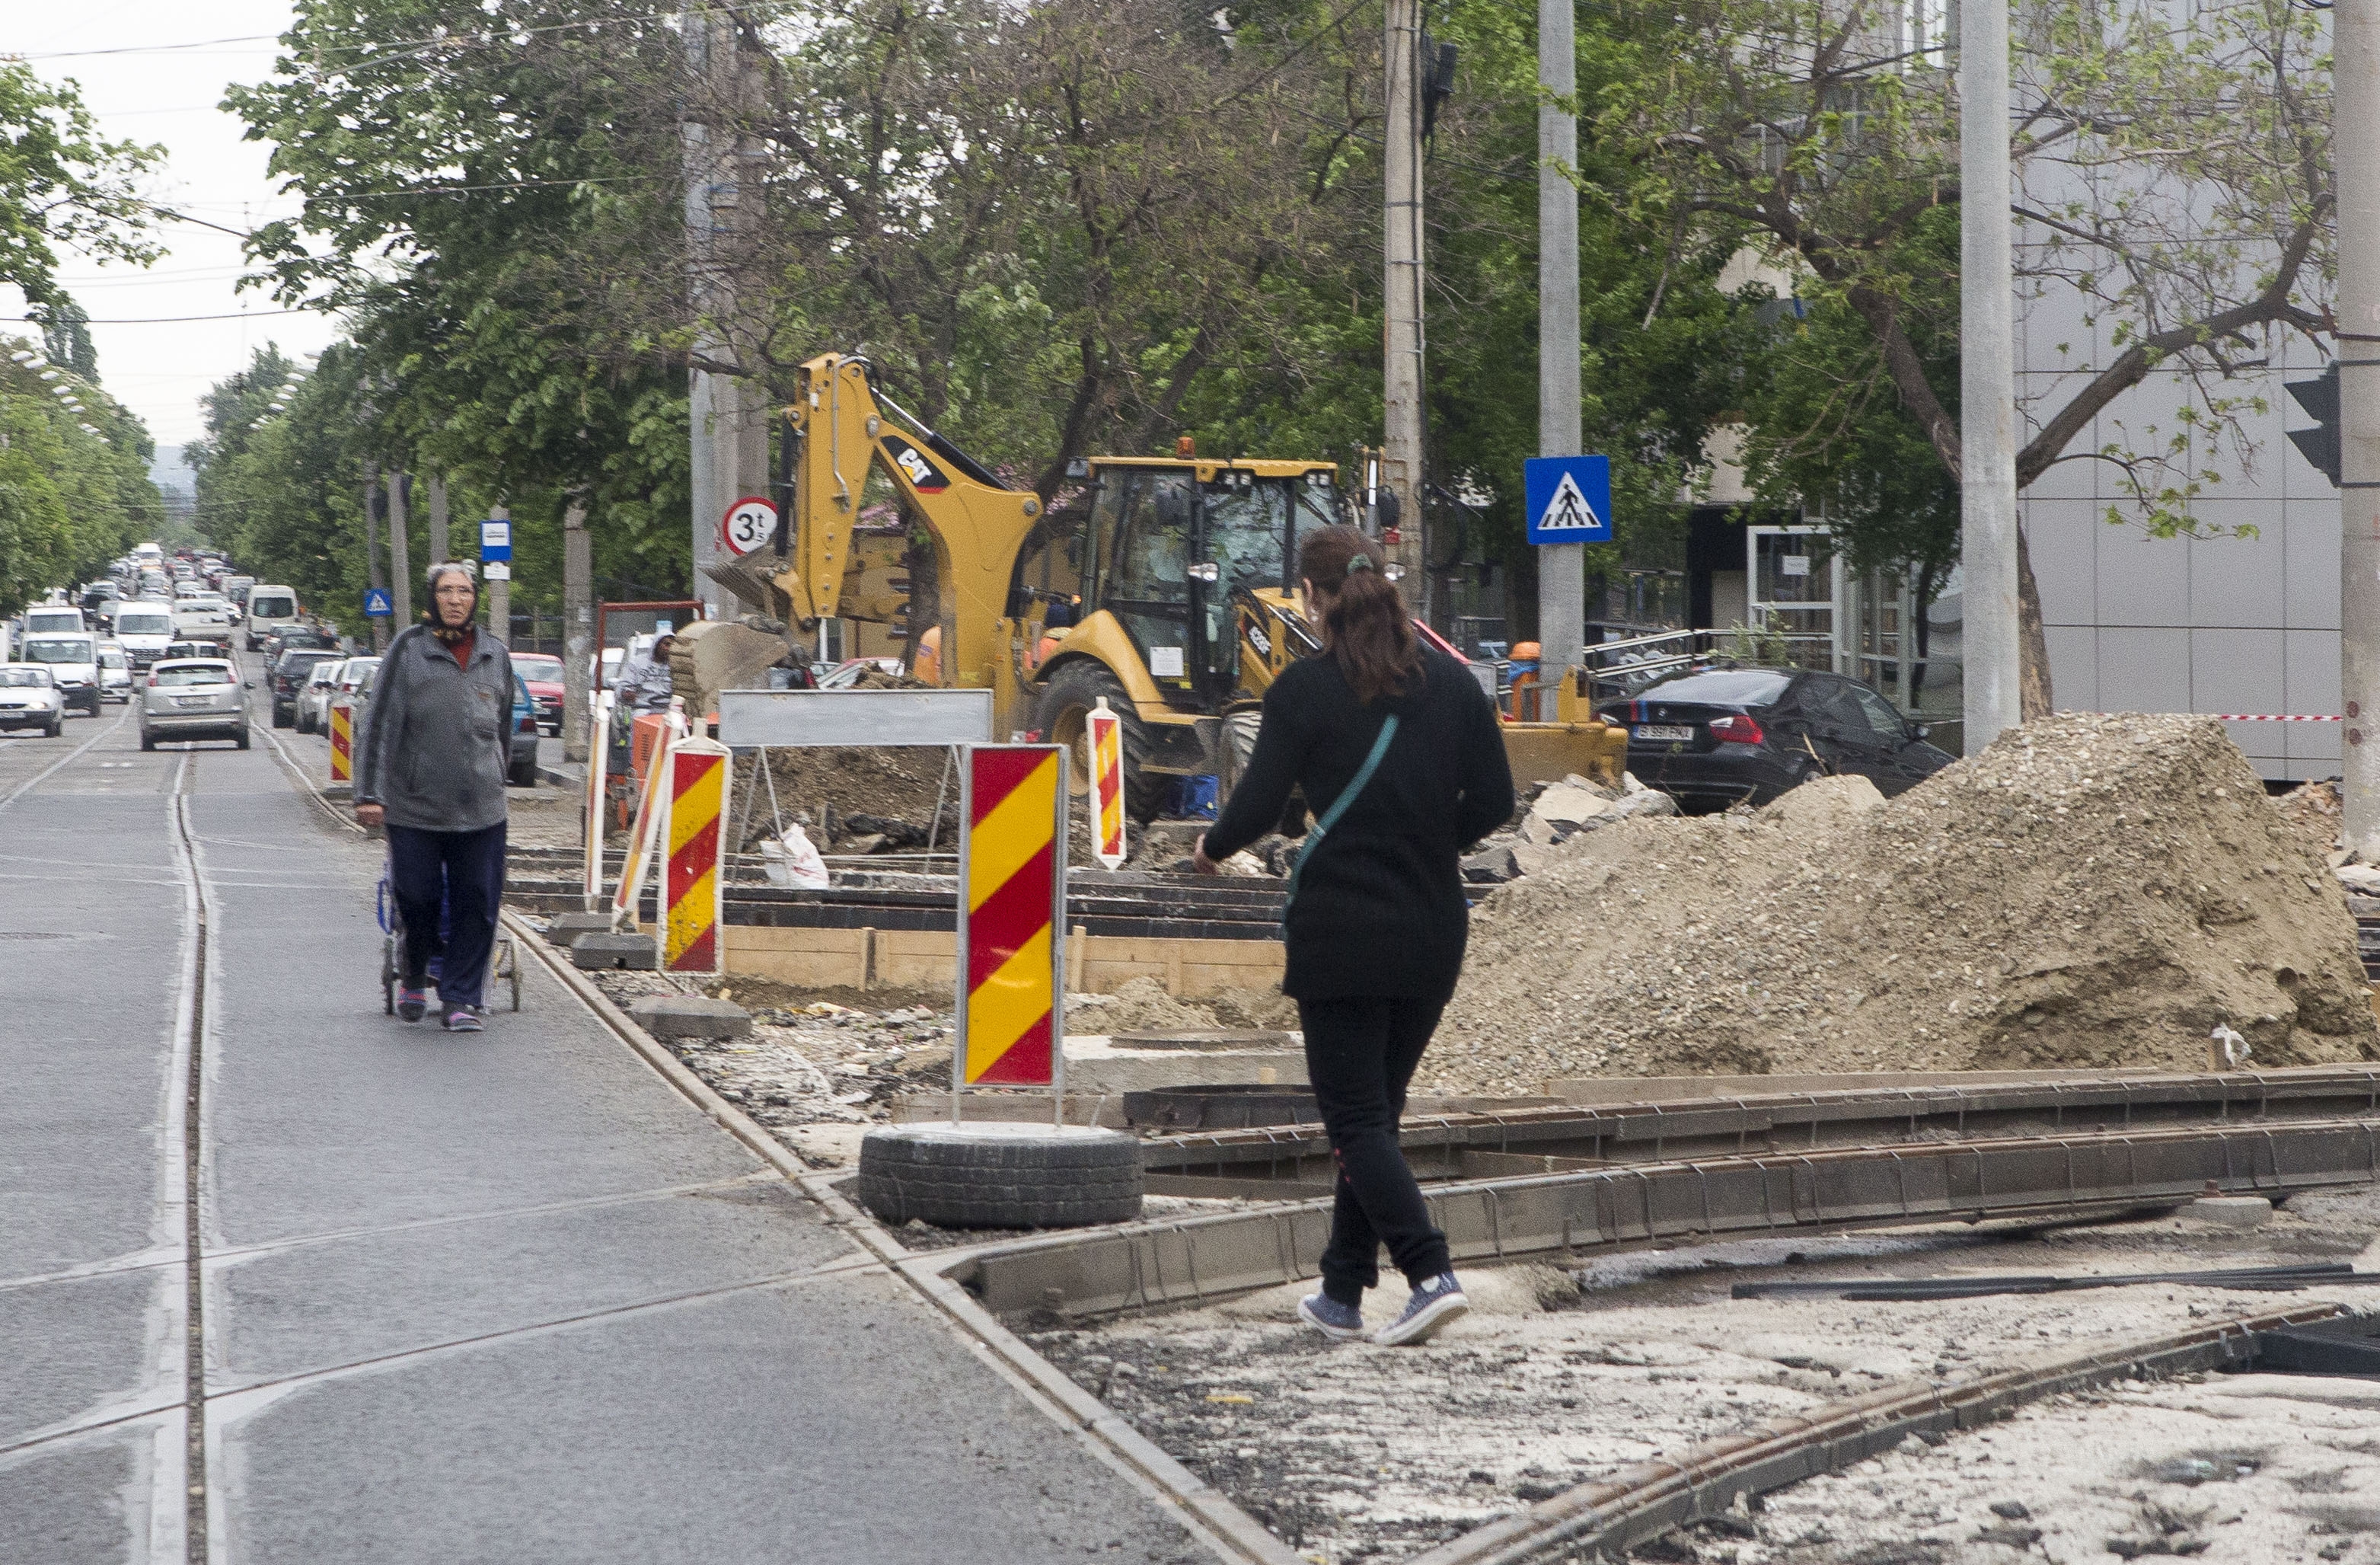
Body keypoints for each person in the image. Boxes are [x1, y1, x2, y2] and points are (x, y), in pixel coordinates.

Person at [1194, 525, 1514, 1346]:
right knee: (1375, 1114)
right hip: (1432, 930)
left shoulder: (1302, 691)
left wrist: (1212, 847)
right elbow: (1495, 803)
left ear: (1314, 596)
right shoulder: (1453, 685)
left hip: (1341, 932)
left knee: (1356, 1121)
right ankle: (1341, 1290)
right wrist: (1427, 839)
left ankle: (1429, 1269)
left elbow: (1259, 805)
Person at [353, 563, 517, 1033]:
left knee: (477, 902)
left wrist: (496, 777)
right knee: (419, 898)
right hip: (415, 807)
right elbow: (379, 724)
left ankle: (461, 998)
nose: (455, 599)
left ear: (474, 599)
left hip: (482, 809)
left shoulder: (494, 654)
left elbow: (502, 730)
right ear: (433, 597)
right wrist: (370, 793)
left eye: (464, 591)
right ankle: (413, 969)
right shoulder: (410, 649)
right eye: (446, 591)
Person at [615, 632, 677, 714]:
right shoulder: (637, 662)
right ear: (657, 644)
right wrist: (626, 693)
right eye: (666, 644)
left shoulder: (675, 667)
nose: (668, 649)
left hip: (666, 711)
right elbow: (623, 686)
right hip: (636, 709)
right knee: (628, 720)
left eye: (672, 646)